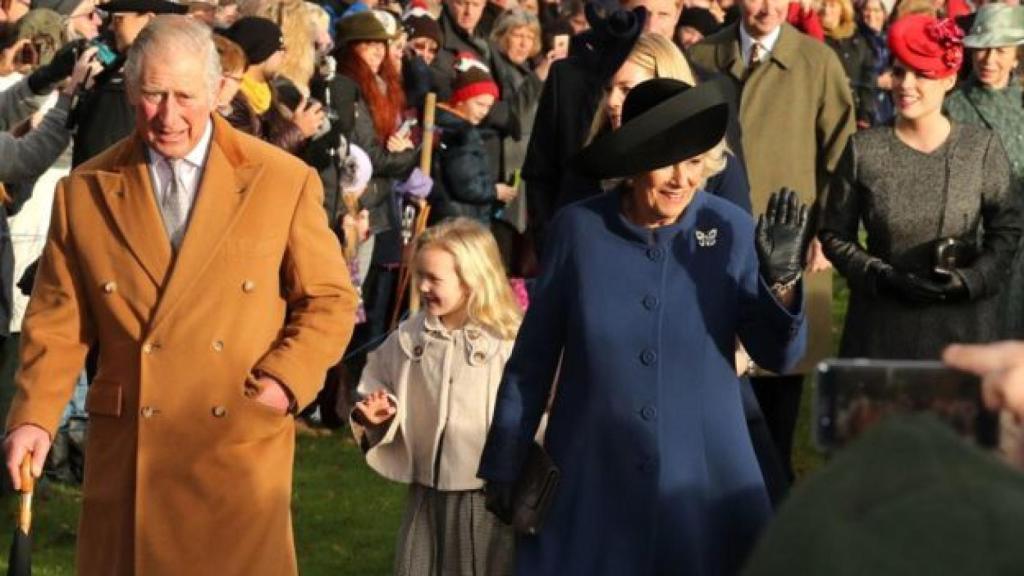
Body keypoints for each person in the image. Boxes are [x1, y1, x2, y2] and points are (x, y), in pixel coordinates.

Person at [2, 15, 357, 575]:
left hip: (235, 445)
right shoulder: (86, 192)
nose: (169, 116)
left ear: (219, 91)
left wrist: (282, 384)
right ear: (130, 91)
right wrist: (34, 418)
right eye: (152, 95)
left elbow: (330, 300)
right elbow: (57, 322)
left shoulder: (280, 180)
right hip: (131, 457)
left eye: (185, 96)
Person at [478, 77, 810, 575]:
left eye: (695, 162)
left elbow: (778, 354)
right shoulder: (578, 229)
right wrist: (506, 457)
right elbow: (533, 359)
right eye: (666, 161)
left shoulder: (730, 230)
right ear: (632, 162)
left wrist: (781, 282)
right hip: (592, 474)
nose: (682, 179)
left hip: (703, 479)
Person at [687, 0, 856, 485]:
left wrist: (826, 232)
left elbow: (841, 158)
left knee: (780, 390)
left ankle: (777, 508)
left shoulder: (817, 63)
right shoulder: (704, 57)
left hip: (792, 247)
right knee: (716, 385)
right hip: (710, 243)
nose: (765, 7)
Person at [819, 14, 1022, 361]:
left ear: (948, 79)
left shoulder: (980, 148)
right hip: (882, 330)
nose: (905, 84)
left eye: (922, 73)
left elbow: (1007, 229)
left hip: (964, 332)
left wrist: (973, 279)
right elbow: (835, 234)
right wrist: (879, 276)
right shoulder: (864, 149)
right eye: (899, 71)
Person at [352, 218, 520, 576]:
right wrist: (380, 414)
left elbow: (538, 408)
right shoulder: (410, 336)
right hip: (425, 493)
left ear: (473, 279)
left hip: (483, 496)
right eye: (420, 275)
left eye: (435, 279)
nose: (423, 287)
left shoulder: (506, 341)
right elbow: (380, 384)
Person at [944, 4, 1024, 339]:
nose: (989, 60)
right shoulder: (952, 105)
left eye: (1000, 50)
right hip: (974, 243)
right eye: (982, 48)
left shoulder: (1021, 103)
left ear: (1016, 57)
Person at [68, 0, 188, 167]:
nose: (110, 27)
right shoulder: (118, 72)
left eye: (119, 19)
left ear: (149, 20)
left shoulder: (123, 86)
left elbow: (99, 161)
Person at [431, 54, 517, 223]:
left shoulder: (444, 124)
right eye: (479, 104)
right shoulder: (462, 133)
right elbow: (466, 184)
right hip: (462, 218)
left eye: (488, 106)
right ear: (461, 100)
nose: (484, 111)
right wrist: (495, 191)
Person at [820, 0, 876, 126]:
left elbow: (868, 78)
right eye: (823, 5)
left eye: (832, 5)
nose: (826, 10)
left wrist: (864, 114)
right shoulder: (815, 38)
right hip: (827, 114)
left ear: (842, 9)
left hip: (854, 114)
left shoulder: (857, 39)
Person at [856, 0, 894, 126]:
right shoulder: (856, 39)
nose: (871, 15)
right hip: (865, 110)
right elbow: (850, 73)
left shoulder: (890, 38)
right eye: (867, 10)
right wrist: (876, 81)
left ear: (885, 14)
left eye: (876, 10)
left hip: (888, 107)